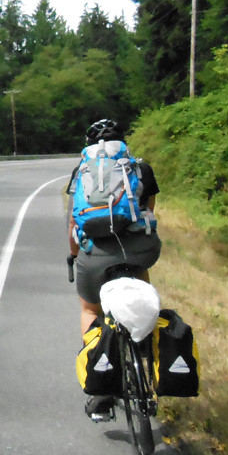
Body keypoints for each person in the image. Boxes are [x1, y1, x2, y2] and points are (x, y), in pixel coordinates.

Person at [65, 119, 161, 421]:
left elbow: (73, 223)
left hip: (95, 253)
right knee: (142, 283)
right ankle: (147, 353)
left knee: (89, 309)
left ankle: (101, 380)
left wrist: (74, 255)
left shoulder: (80, 173)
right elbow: (149, 212)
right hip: (139, 249)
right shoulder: (140, 169)